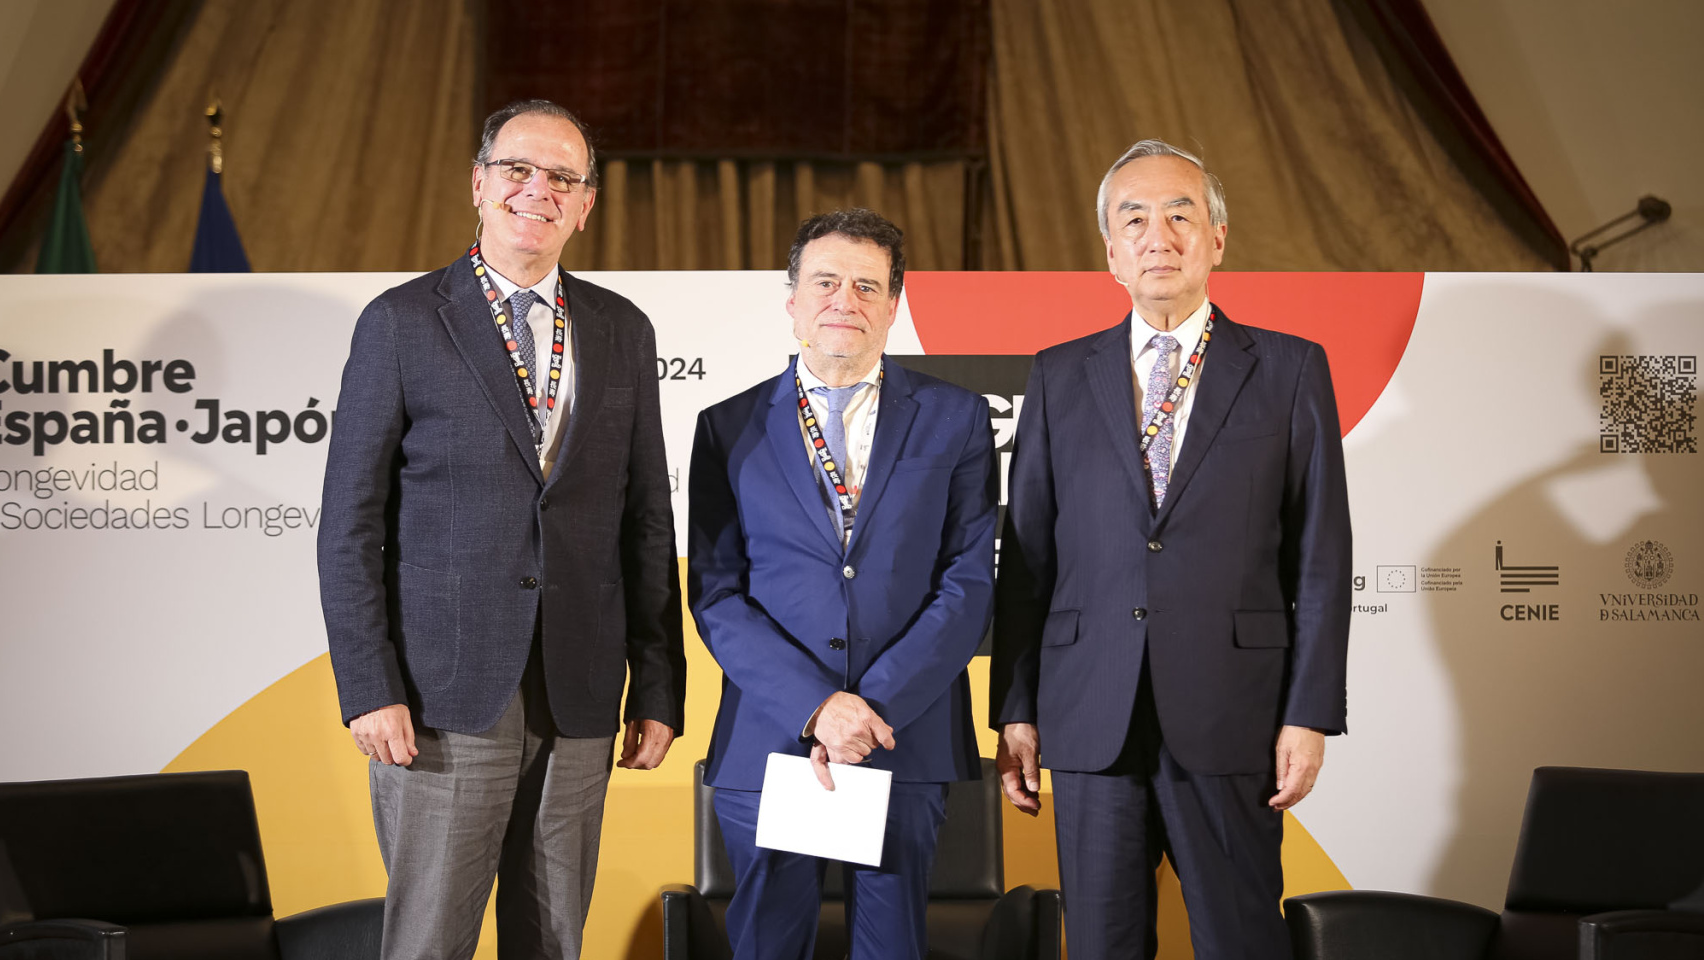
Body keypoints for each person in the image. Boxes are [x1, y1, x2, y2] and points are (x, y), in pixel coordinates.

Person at [317, 99, 686, 960]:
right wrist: (370, 685)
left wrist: (658, 685)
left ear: (586, 204)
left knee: (553, 941)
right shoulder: (403, 322)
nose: (538, 189)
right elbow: (349, 526)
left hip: (582, 695)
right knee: (430, 943)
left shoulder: (622, 330)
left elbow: (645, 522)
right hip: (443, 699)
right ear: (479, 185)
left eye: (563, 177)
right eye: (518, 169)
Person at [989, 140, 1352, 960]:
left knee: (1243, 940)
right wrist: (1015, 706)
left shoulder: (1290, 370)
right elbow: (1027, 561)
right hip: (1089, 719)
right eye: (1135, 218)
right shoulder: (1056, 375)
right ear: (1111, 252)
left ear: (1217, 238)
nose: (1160, 234)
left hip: (1235, 716)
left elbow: (1321, 557)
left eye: (1181, 213)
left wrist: (1308, 710)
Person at [688, 208, 998, 960]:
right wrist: (818, 707)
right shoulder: (726, 426)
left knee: (891, 948)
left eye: (868, 286)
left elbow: (967, 579)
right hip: (773, 738)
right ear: (792, 298)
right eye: (825, 281)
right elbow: (716, 592)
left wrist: (871, 707)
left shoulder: (955, 418)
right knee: (768, 946)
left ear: (894, 305)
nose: (844, 300)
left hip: (903, 734)